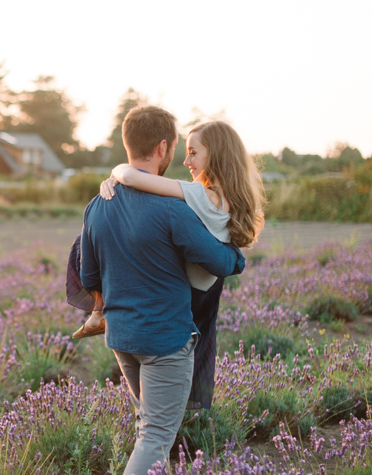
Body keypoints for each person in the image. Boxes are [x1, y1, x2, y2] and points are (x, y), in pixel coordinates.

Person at [78, 106, 246, 475]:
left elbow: (89, 272)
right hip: (165, 340)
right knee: (154, 437)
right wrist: (238, 255)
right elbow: (220, 261)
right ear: (164, 147)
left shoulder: (98, 203)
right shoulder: (173, 208)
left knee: (149, 427)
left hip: (122, 337)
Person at [94, 120, 267, 411]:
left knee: (160, 394)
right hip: (207, 291)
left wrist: (117, 172)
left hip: (188, 296)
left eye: (193, 152)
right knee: (180, 379)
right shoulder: (227, 196)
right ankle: (168, 434)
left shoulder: (202, 195)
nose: (186, 161)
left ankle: (159, 436)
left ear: (216, 154)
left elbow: (135, 179)